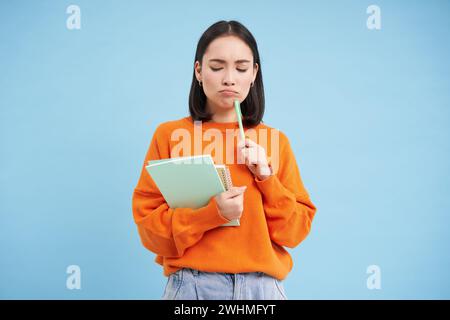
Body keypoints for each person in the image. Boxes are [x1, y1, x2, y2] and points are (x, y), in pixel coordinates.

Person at [132, 20, 317, 300]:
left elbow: (294, 233)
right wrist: (211, 214)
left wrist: (266, 178)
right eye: (217, 67)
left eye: (241, 68)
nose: (229, 78)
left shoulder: (275, 141)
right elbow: (150, 232)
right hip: (192, 287)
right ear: (198, 71)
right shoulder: (170, 135)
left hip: (262, 289)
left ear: (254, 74)